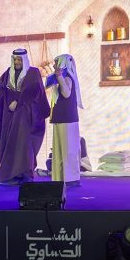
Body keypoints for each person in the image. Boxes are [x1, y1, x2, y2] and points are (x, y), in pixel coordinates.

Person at [0, 48, 50, 186]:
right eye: (15, 60)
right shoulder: (7, 74)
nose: (17, 62)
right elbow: (2, 90)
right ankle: (10, 176)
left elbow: (36, 92)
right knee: (8, 144)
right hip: (9, 117)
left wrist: (19, 102)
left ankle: (25, 174)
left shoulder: (33, 73)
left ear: (24, 60)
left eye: (19, 60)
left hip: (26, 116)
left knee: (24, 146)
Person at [46, 54, 84, 186]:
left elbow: (66, 93)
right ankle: (60, 178)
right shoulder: (61, 77)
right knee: (59, 151)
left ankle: (71, 179)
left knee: (69, 150)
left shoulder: (68, 77)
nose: (54, 65)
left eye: (56, 63)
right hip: (60, 119)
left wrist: (59, 77)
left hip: (68, 120)